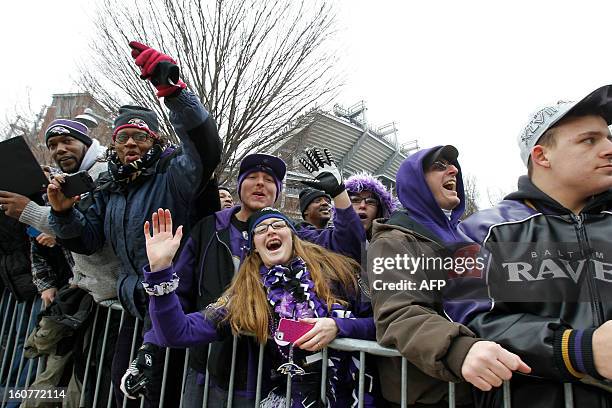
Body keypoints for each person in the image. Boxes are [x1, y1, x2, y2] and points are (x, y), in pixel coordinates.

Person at [48, 41, 222, 407]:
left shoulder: (174, 175)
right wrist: (63, 213)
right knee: (121, 389)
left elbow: (206, 150)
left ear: (154, 140)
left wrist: (174, 93)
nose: (131, 144)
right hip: (131, 305)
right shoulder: (109, 186)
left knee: (161, 395)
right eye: (123, 137)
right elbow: (87, 240)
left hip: (173, 310)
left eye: (140, 136)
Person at [126, 148, 365, 406]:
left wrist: (339, 194)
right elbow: (179, 301)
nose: (261, 183)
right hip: (212, 369)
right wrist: (150, 341)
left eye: (270, 180)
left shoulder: (298, 240)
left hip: (274, 380)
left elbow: (349, 247)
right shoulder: (209, 231)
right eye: (252, 176)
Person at [457, 85, 612, 407]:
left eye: (608, 137)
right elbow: (468, 321)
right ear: (542, 156)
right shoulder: (484, 230)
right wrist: (578, 349)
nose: (609, 148)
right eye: (589, 140)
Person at [367, 145, 530, 407]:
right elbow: (398, 314)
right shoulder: (393, 241)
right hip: (429, 395)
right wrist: (459, 349)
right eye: (438, 166)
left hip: (479, 389)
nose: (453, 170)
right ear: (415, 183)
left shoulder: (468, 239)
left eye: (452, 166)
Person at [0, 121, 119, 303]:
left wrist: (30, 210)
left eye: (67, 141)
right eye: (52, 145)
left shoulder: (104, 173)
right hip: (92, 291)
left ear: (86, 143)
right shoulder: (67, 183)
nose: (60, 149)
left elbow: (90, 238)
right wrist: (76, 277)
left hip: (119, 292)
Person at [344, 172, 397, 240]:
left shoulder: (390, 243)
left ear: (379, 211)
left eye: (370, 202)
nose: (363, 206)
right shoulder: (329, 240)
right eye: (355, 200)